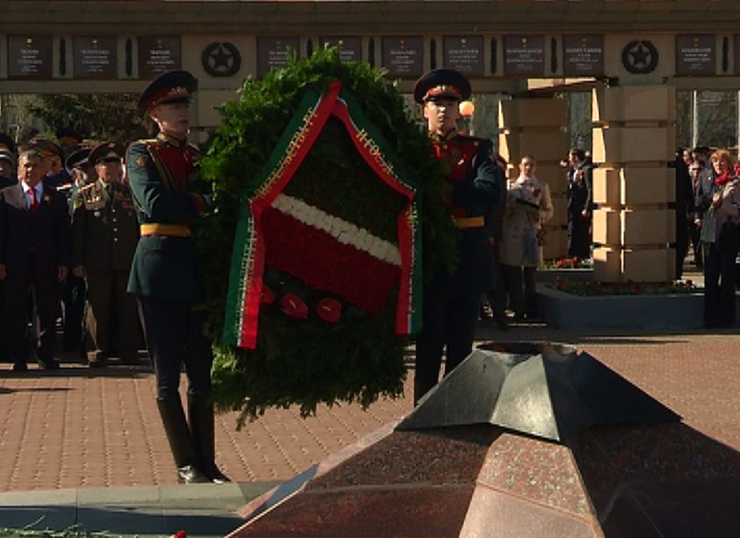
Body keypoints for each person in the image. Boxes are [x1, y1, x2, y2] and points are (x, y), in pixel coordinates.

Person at [126, 70, 228, 483]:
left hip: (193, 268)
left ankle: (207, 461)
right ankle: (186, 464)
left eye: (185, 104)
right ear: (155, 113)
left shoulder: (197, 157)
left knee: (202, 373)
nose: (182, 112)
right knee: (167, 374)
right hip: (158, 268)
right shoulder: (141, 154)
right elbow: (155, 203)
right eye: (173, 106)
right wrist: (202, 201)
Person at [411, 68, 502, 404]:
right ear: (424, 109)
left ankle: (457, 415)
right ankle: (422, 415)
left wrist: (441, 187)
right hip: (429, 257)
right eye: (436, 103)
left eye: (451, 103)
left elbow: (490, 192)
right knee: (428, 346)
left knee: (461, 348)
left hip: (467, 258)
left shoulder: (476, 149)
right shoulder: (412, 151)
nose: (444, 109)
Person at [71, 142, 141, 367]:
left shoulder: (129, 194)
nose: (110, 169)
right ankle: (95, 351)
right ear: (96, 169)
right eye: (105, 165)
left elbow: (139, 230)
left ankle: (129, 350)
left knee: (128, 307)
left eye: (114, 164)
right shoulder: (85, 195)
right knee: (97, 307)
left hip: (125, 259)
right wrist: (77, 261)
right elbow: (77, 232)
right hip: (97, 261)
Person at [0, 149, 70, 371]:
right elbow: (1, 232)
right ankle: (19, 357)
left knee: (46, 309)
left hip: (46, 261)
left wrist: (63, 262)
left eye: (35, 166)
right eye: (26, 166)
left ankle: (45, 355)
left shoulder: (56, 197)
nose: (30, 170)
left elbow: (63, 233)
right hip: (15, 262)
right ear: (18, 170)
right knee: (15, 309)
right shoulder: (5, 196)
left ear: (44, 170)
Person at [499, 155, 553, 321]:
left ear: (535, 167)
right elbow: (501, 211)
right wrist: (510, 208)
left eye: (531, 165)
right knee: (513, 274)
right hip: (512, 234)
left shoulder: (542, 187)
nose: (528, 168)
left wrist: (540, 215)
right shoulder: (511, 187)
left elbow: (549, 210)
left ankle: (531, 308)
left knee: (530, 274)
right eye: (525, 165)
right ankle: (517, 308)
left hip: (530, 232)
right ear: (519, 167)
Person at [699, 149, 740, 328]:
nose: (718, 165)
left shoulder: (735, 183)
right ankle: (710, 318)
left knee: (727, 277)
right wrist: (709, 202)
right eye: (715, 162)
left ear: (728, 164)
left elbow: (738, 210)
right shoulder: (707, 180)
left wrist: (722, 205)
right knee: (710, 276)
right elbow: (700, 199)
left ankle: (727, 318)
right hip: (709, 235)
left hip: (727, 234)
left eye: (722, 162)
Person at [566, 148, 593, 259]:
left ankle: (581, 256)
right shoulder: (573, 170)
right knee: (572, 231)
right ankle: (573, 256)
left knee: (581, 234)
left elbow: (590, 190)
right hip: (573, 207)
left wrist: (587, 207)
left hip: (581, 207)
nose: (569, 159)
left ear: (576, 157)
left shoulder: (586, 170)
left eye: (570, 157)